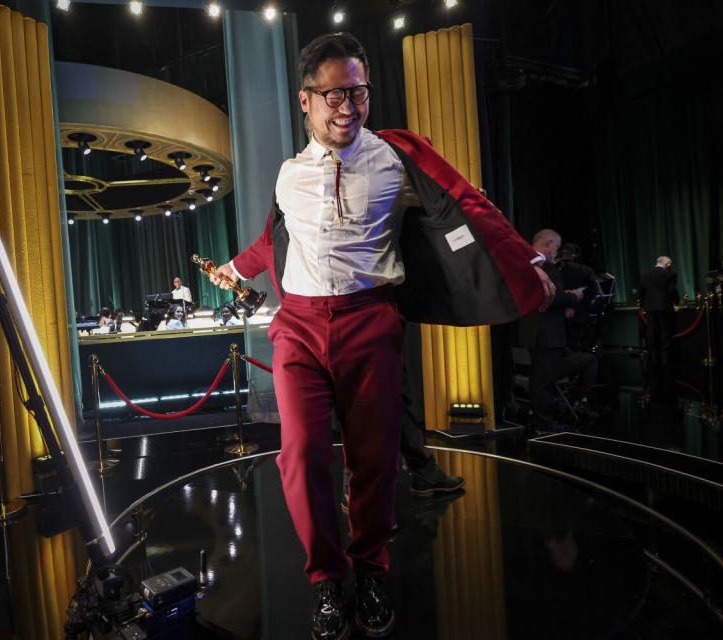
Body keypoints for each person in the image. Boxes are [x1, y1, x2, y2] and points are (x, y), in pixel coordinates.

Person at [208, 33, 551, 639]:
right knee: (303, 454)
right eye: (334, 93)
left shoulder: (396, 161)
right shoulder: (289, 177)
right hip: (300, 329)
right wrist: (234, 270)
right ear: (306, 101)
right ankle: (324, 580)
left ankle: (369, 571)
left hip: (372, 321)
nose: (349, 105)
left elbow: (469, 207)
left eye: (358, 91)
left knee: (373, 462)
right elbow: (274, 242)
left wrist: (526, 268)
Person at [518, 230, 586, 433]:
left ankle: (539, 422)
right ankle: (544, 425)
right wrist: (574, 298)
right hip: (548, 335)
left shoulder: (522, 265)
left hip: (530, 333)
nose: (557, 252)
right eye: (556, 247)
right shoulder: (546, 268)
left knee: (538, 381)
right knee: (545, 382)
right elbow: (553, 297)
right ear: (548, 244)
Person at [558, 243, 602, 352]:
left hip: (559, 315)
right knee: (578, 348)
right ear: (576, 255)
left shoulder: (553, 270)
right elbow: (593, 291)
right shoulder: (586, 270)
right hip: (580, 314)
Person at [639, 256, 680, 371]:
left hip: (650, 307)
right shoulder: (670, 274)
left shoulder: (644, 275)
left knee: (651, 330)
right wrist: (677, 302)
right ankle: (666, 358)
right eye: (669, 265)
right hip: (664, 306)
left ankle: (652, 356)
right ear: (667, 264)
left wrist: (642, 306)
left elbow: (642, 291)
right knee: (665, 331)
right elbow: (672, 291)